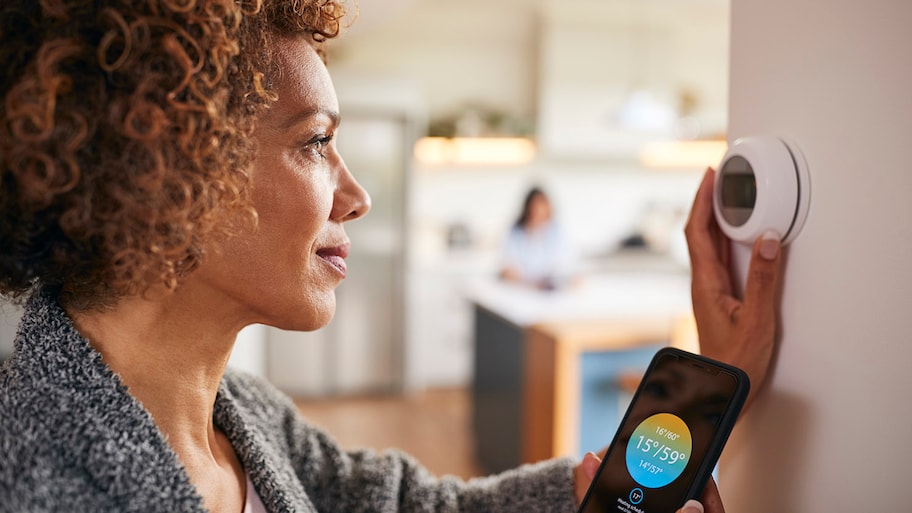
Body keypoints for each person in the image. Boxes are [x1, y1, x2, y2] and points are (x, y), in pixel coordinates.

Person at [0, 1, 782, 512]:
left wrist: (696, 404)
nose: (356, 195)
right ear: (168, 166)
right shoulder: (32, 481)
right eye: (315, 142)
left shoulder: (246, 420)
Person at [499, 186, 578, 290]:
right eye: (534, 208)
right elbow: (508, 267)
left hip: (550, 288)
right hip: (523, 288)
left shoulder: (557, 231)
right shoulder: (516, 231)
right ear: (527, 209)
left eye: (540, 207)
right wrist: (529, 282)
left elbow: (566, 263)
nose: (537, 212)